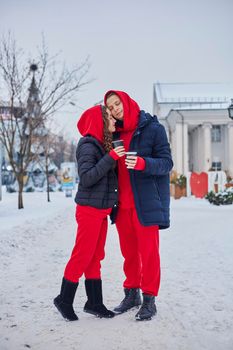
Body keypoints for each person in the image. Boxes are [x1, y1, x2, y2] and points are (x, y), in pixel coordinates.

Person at [104, 90, 173, 321]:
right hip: (122, 205)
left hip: (146, 204)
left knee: (149, 254)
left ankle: (149, 300)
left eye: (117, 103)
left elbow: (166, 163)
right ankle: (131, 294)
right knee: (129, 254)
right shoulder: (115, 134)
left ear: (126, 101)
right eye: (111, 108)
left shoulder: (153, 129)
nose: (115, 109)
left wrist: (143, 163)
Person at [54, 105, 125, 321]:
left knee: (95, 257)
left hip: (100, 211)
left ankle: (94, 303)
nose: (115, 122)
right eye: (110, 118)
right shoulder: (87, 145)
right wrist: (111, 157)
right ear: (100, 122)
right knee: (82, 255)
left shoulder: (103, 145)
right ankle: (64, 300)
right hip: (88, 211)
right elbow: (86, 177)